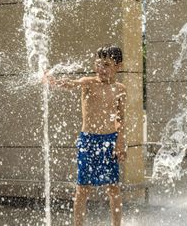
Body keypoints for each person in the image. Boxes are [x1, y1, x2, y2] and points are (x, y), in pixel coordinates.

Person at [44, 45, 127, 226]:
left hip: (110, 141)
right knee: (83, 189)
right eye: (98, 64)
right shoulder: (89, 82)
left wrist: (120, 142)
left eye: (106, 64)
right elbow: (71, 84)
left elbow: (120, 118)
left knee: (113, 188)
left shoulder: (120, 89)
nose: (101, 69)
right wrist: (52, 81)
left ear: (118, 66)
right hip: (88, 141)